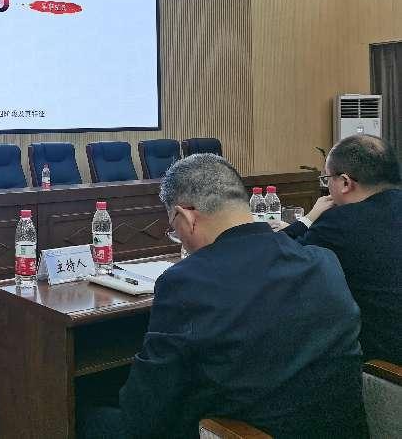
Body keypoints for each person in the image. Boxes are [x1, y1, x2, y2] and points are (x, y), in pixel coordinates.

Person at [80, 154, 366, 439]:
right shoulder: (322, 261)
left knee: (83, 415)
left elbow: (143, 416)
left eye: (173, 226)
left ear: (186, 216)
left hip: (236, 431)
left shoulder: (186, 282)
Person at [283, 134, 402, 364]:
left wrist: (308, 219)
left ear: (346, 183)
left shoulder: (341, 222)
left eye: (327, 178)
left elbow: (278, 258)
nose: (327, 186)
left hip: (383, 364)